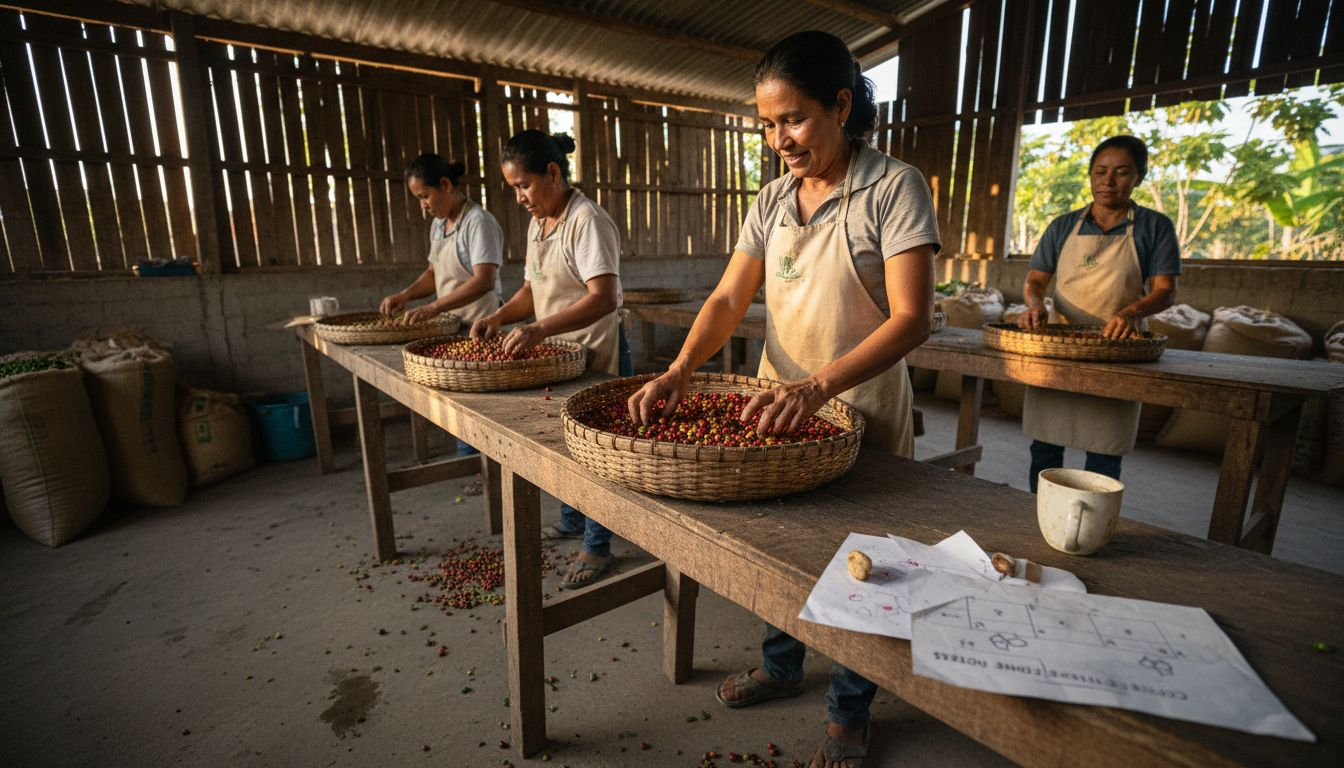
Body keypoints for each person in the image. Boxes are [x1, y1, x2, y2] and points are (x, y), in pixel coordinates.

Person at [627, 30, 940, 768]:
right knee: (784, 547)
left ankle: (849, 709)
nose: (779, 140)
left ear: (840, 105)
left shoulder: (895, 187)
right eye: (767, 125)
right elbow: (731, 297)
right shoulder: (772, 200)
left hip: (859, 407)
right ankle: (782, 665)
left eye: (793, 119)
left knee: (860, 564)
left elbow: (912, 319)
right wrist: (678, 369)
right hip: (778, 409)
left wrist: (818, 386)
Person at [471, 130, 634, 590]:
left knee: (596, 451)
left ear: (554, 173)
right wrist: (499, 317)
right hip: (559, 354)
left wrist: (539, 328)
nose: (520, 197)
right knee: (560, 438)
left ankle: (597, 545)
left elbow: (602, 298)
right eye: (513, 189)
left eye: (524, 185)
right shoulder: (539, 222)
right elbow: (531, 288)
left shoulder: (587, 221)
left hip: (596, 351)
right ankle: (571, 519)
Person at [1018, 135, 1180, 491]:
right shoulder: (1063, 226)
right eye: (1100, 171)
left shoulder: (1154, 227)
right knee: (1045, 445)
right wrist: (1035, 306)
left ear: (1139, 176)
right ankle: (1038, 513)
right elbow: (1034, 282)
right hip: (1061, 348)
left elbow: (1165, 291)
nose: (1108, 181)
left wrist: (1132, 311)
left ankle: (1092, 520)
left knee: (1104, 452)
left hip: (1118, 348)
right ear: (1090, 175)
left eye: (1121, 172)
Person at [380, 154, 503, 328]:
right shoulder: (439, 224)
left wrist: (434, 307)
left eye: (425, 196)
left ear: (445, 185)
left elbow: (484, 281)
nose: (423, 205)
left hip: (481, 326)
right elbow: (433, 273)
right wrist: (405, 295)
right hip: (451, 325)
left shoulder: (478, 222)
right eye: (419, 199)